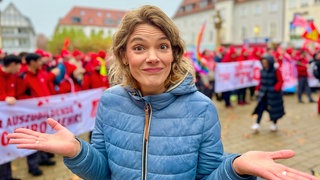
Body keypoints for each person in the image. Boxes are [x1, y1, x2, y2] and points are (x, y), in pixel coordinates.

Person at [8, 5, 317, 180]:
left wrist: (235, 166)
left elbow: (209, 177)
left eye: (162, 46)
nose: (152, 57)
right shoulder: (109, 102)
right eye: (139, 47)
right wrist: (77, 152)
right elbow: (103, 173)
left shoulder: (202, 109)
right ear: (124, 55)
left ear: (175, 54)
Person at [0, 54, 22, 180]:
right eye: (18, 65)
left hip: (8, 121)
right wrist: (4, 99)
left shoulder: (13, 77)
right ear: (13, 65)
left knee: (7, 146)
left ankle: (7, 176)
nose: (20, 68)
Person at [251, 54, 285, 132]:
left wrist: (275, 88)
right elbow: (261, 81)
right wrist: (257, 89)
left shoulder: (276, 70)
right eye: (263, 63)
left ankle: (274, 123)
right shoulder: (262, 70)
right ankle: (257, 123)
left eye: (266, 62)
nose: (264, 64)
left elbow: (280, 81)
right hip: (264, 94)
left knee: (273, 110)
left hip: (273, 95)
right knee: (260, 108)